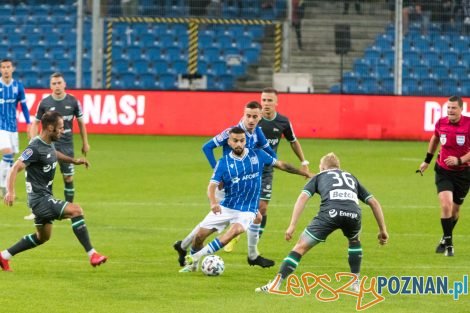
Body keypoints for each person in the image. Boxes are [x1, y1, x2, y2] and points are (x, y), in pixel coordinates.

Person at [179, 127, 312, 273]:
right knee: (199, 237)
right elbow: (211, 186)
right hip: (227, 206)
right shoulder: (223, 163)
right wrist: (213, 203)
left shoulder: (258, 155)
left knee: (236, 230)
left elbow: (281, 165)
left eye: (242, 141)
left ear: (245, 141)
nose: (239, 144)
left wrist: (302, 172)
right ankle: (192, 266)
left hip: (248, 209)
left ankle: (196, 256)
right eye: (235, 141)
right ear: (229, 142)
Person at [256, 152, 388, 293]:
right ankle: (355, 283)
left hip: (329, 214)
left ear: (323, 167)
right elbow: (373, 202)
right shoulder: (351, 177)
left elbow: (302, 198)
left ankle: (275, 285)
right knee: (354, 240)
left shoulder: (319, 176)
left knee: (300, 247)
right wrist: (383, 230)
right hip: (353, 214)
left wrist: (292, 225)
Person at [173, 101, 278, 267]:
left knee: (256, 216)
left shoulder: (256, 132)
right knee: (212, 223)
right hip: (228, 184)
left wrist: (272, 161)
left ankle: (183, 245)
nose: (251, 120)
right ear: (243, 115)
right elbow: (207, 147)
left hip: (242, 182)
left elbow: (269, 151)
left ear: (260, 117)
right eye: (248, 116)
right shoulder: (231, 133)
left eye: (254, 116)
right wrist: (217, 171)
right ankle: (187, 248)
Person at [0, 111, 107, 272]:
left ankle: (4, 256)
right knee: (76, 210)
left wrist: (73, 160)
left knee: (43, 237)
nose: (63, 131)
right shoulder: (35, 147)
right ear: (50, 128)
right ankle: (92, 254)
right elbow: (15, 167)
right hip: (40, 200)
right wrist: (10, 192)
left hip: (44, 198)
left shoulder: (48, 142)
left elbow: (53, 154)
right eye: (61, 128)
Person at [27, 72, 90, 220]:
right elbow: (35, 123)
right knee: (43, 178)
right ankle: (38, 209)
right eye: (54, 83)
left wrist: (85, 142)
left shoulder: (73, 102)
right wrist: (33, 140)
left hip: (66, 144)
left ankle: (68, 208)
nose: (57, 86)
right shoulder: (44, 103)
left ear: (64, 84)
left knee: (68, 177)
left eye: (59, 83)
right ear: (50, 86)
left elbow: (81, 123)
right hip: (48, 145)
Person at [418, 96, 470, 257]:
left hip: (463, 173)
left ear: (461, 109)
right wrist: (427, 161)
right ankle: (449, 245)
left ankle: (443, 238)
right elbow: (435, 138)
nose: (450, 111)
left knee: (454, 212)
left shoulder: (469, 125)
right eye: (448, 108)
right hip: (443, 171)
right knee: (446, 205)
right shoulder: (441, 123)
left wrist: (459, 160)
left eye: (454, 108)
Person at [257, 87, 309, 240]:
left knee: (263, 207)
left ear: (276, 102)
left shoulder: (283, 121)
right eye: (264, 100)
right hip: (249, 168)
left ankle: (254, 243)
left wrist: (304, 162)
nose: (266, 103)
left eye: (269, 100)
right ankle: (235, 234)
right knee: (245, 206)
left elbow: (293, 141)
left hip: (268, 168)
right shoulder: (253, 119)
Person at [0, 58, 31, 197]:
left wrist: (29, 123)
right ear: (0, 70)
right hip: (1, 127)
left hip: (13, 127)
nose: (6, 70)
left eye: (8, 67)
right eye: (3, 67)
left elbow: (24, 106)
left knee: (11, 160)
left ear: (12, 69)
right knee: (7, 154)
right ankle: (2, 186)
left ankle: (5, 188)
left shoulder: (18, 86)